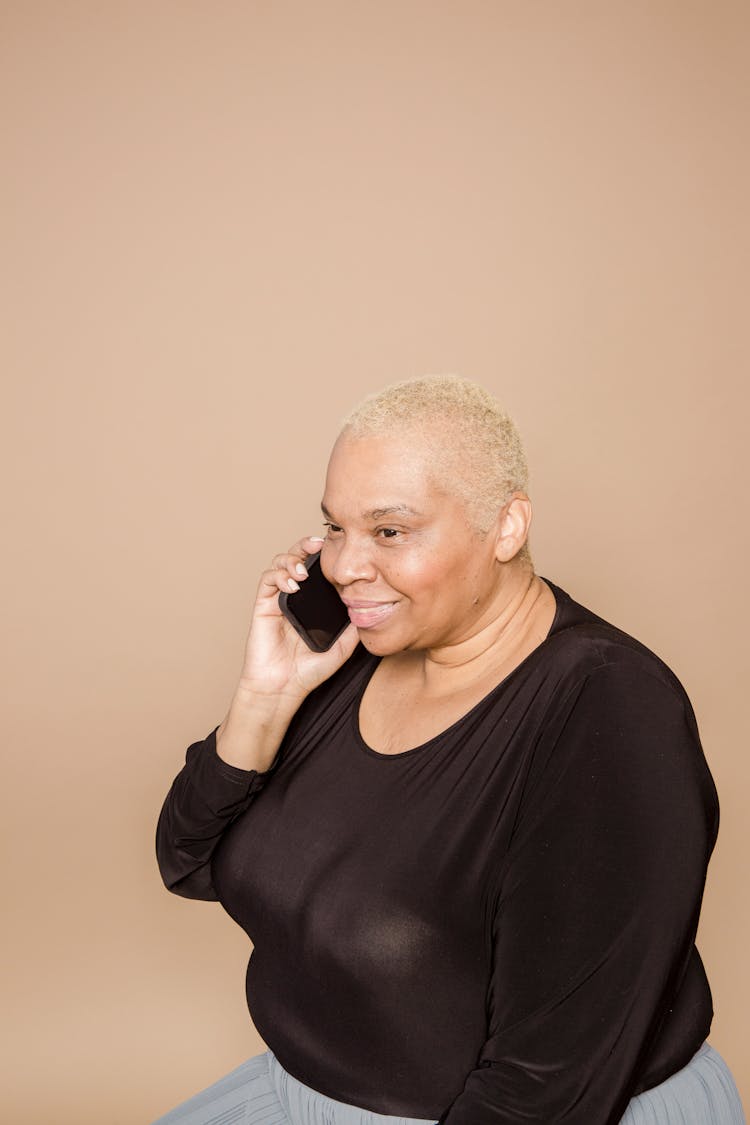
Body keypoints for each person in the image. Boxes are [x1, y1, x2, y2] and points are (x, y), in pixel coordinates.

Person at [154, 375, 744, 1125]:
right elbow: (187, 859)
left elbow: (544, 1090)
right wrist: (264, 699)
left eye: (389, 531)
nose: (342, 566)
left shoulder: (608, 709)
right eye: (335, 527)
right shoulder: (355, 655)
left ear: (506, 527)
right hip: (299, 1092)